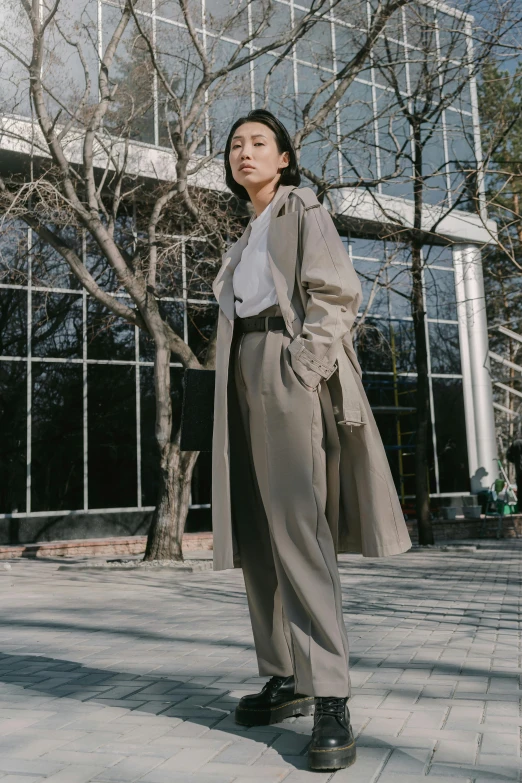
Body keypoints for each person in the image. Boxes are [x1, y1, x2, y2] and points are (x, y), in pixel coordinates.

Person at [211, 108, 412, 772]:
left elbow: (336, 294)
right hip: (242, 374)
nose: (245, 153)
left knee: (298, 529)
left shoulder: (302, 210)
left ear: (285, 159)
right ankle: (285, 675)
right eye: (236, 145)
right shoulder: (245, 236)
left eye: (258, 143)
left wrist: (302, 370)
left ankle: (330, 691)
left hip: (284, 368)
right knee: (258, 533)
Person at [506, 432, 522, 512]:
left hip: (519, 470)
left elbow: (508, 455)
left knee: (520, 489)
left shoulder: (515, 443)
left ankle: (520, 508)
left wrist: (515, 461)